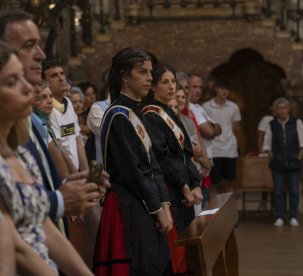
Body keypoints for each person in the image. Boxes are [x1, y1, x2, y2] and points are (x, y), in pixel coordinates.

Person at [0, 9, 109, 232]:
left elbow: (37, 188)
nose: (41, 54)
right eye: (29, 45)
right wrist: (60, 198)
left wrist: (75, 183)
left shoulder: (29, 121)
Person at [0, 40, 93, 275]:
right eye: (12, 81)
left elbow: (40, 222)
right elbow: (15, 248)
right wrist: (63, 195)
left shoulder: (18, 147)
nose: (27, 89)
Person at [94, 47, 172, 275]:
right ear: (124, 76)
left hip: (144, 202)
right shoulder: (117, 114)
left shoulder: (135, 112)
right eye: (142, 72)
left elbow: (153, 163)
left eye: (150, 72)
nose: (149, 78)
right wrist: (157, 209)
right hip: (127, 204)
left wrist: (164, 203)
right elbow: (133, 171)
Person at [144, 64, 203, 274]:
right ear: (153, 87)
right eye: (165, 82)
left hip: (184, 189)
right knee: (176, 251)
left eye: (173, 82)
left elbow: (186, 153)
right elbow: (164, 158)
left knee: (187, 249)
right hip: (172, 190)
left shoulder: (168, 112)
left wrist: (196, 183)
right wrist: (185, 186)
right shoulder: (151, 115)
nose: (171, 87)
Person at [262, 97, 303, 227]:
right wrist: (272, 155)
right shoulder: (272, 125)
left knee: (293, 190)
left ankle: (293, 216)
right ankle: (280, 216)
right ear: (276, 110)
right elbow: (267, 145)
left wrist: (298, 157)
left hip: (293, 162)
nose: (282, 111)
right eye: (279, 108)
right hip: (277, 164)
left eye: (284, 108)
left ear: (288, 109)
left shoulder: (296, 123)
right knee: (278, 191)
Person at [42, 59, 89, 173]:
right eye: (54, 75)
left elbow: (77, 141)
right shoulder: (47, 108)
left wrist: (87, 174)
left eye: (62, 73)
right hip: (64, 175)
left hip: (76, 173)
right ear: (45, 82)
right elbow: (59, 149)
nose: (61, 78)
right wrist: (76, 176)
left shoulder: (68, 102)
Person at [202, 79, 241, 192]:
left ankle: (228, 209)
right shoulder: (207, 106)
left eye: (227, 89)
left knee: (229, 181)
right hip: (213, 149)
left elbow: (235, 125)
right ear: (216, 89)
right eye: (222, 88)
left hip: (229, 149)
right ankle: (216, 209)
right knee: (213, 183)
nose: (225, 92)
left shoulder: (233, 107)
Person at [256, 96, 277, 211]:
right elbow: (260, 137)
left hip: (277, 153)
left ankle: (275, 205)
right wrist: (260, 152)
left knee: (274, 181)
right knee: (265, 179)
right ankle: (264, 201)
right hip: (266, 153)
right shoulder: (266, 119)